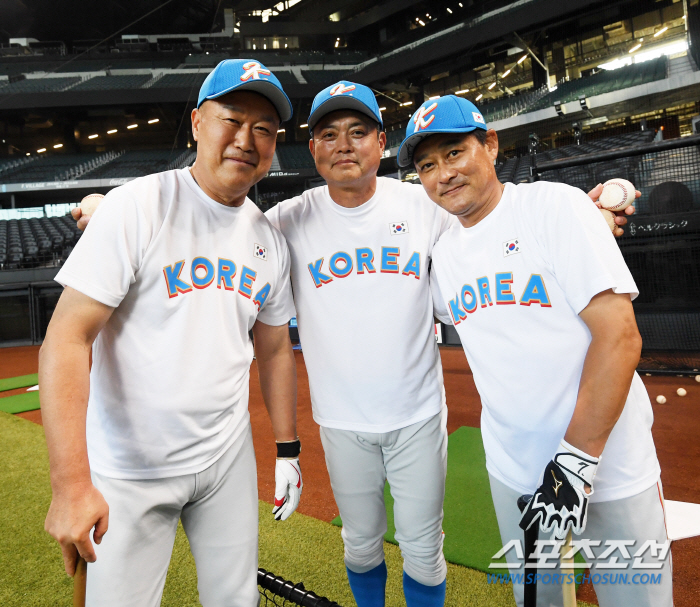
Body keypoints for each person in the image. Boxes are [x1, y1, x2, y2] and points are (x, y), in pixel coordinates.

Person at [73, 79, 637, 607]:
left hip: (418, 416)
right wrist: (109, 207)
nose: (344, 145)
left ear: (381, 142)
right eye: (329, 134)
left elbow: (491, 227)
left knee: (423, 548)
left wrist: (592, 210)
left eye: (359, 131)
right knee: (361, 544)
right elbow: (214, 226)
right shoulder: (284, 223)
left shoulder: (427, 207)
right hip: (341, 423)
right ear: (312, 148)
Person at [40, 59, 302, 607]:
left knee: (237, 602)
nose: (246, 139)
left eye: (264, 130)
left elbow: (275, 347)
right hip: (129, 468)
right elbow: (66, 340)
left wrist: (287, 450)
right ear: (197, 124)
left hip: (225, 459)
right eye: (232, 119)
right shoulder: (137, 207)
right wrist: (70, 486)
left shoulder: (268, 238)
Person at [398, 94, 672, 607]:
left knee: (636, 600)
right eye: (427, 165)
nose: (443, 174)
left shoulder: (552, 207)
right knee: (542, 602)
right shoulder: (444, 254)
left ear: (491, 145)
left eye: (455, 153)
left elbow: (620, 338)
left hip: (608, 464)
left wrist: (574, 464)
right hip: (515, 472)